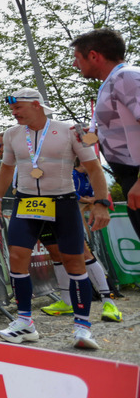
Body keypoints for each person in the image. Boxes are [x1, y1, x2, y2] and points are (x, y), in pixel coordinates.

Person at [0, 87, 110, 350]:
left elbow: (93, 168)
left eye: (18, 107)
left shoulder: (71, 130)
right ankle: (25, 322)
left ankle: (83, 326)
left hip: (63, 202)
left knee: (74, 261)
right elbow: (7, 168)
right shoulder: (11, 134)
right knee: (17, 256)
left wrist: (101, 202)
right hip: (26, 201)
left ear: (36, 105)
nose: (13, 112)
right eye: (12, 108)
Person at [71, 27, 140, 239]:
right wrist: (92, 135)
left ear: (93, 56)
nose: (74, 64)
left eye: (77, 58)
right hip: (129, 178)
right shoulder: (112, 82)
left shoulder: (125, 76)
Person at [38, 160, 123, 322]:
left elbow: (87, 189)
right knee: (56, 255)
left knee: (84, 254)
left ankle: (108, 303)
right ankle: (66, 302)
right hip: (40, 207)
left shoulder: (77, 171)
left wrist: (95, 202)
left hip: (65, 208)